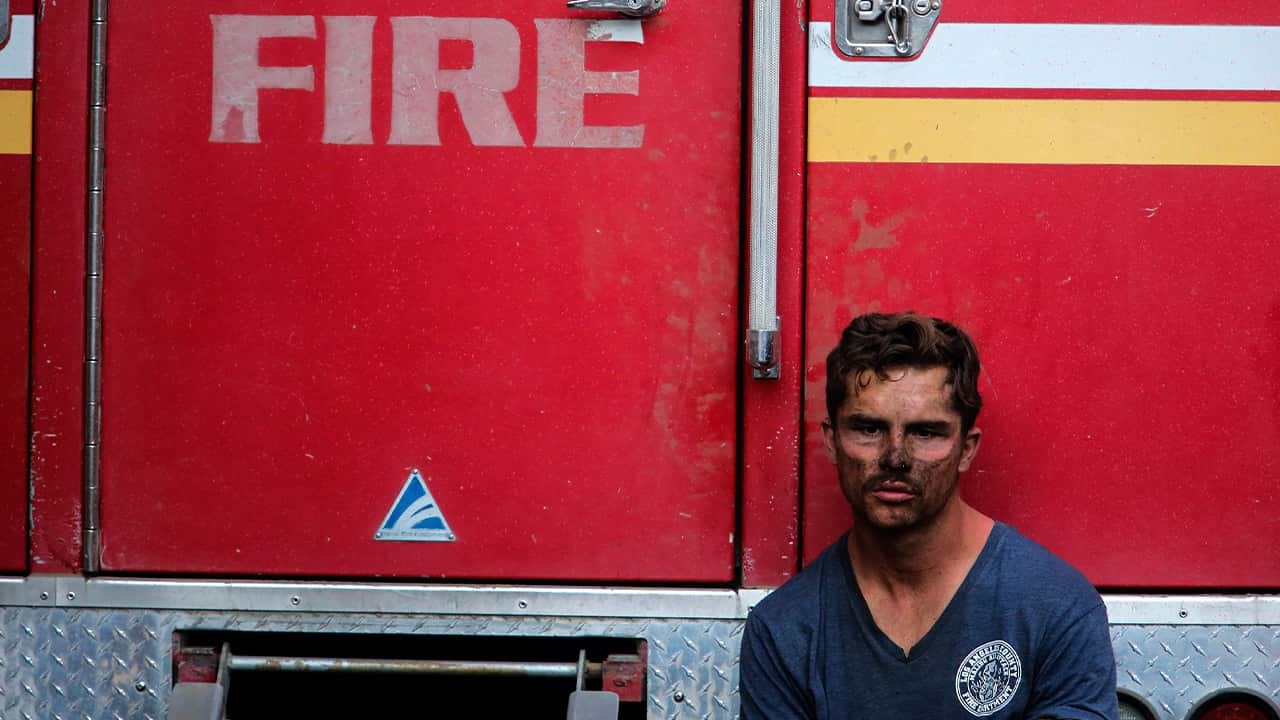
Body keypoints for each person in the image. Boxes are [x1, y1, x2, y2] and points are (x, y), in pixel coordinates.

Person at [740, 311, 1117, 719]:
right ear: (831, 442)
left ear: (967, 449)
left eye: (926, 432)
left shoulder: (1054, 607)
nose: (895, 457)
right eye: (868, 428)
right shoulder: (784, 631)